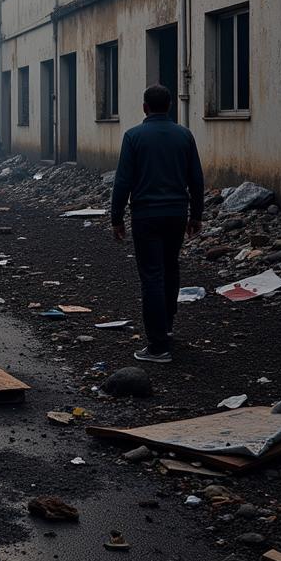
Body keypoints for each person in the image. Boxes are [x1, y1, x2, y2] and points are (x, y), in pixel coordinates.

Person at [111, 84, 204, 364]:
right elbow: (196, 180)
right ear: (171, 106)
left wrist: (116, 217)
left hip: (146, 215)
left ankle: (157, 346)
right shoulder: (184, 135)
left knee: (151, 275)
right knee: (170, 267)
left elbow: (123, 180)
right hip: (176, 213)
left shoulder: (133, 136)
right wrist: (196, 215)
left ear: (144, 107)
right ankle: (167, 327)